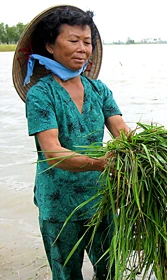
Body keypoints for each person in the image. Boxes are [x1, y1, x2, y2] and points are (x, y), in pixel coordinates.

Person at [12, 5, 130, 280]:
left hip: (100, 199)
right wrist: (100, 163)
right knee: (66, 274)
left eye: (87, 42)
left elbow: (121, 131)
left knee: (111, 270)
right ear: (50, 46)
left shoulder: (99, 90)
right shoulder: (41, 94)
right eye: (73, 40)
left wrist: (145, 152)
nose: (82, 48)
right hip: (59, 204)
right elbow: (52, 152)